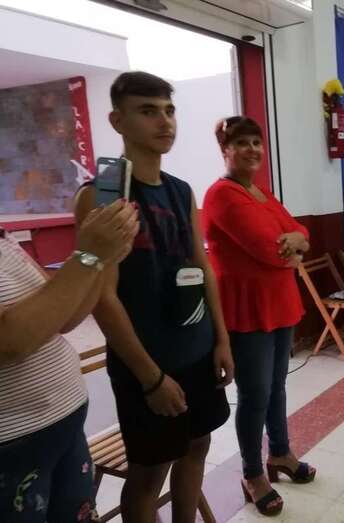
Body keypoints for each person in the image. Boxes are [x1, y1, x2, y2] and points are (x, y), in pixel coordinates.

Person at [74, 71, 233, 522]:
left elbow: (202, 268)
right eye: (148, 111)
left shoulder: (180, 191)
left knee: (197, 447)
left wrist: (221, 339)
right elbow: (102, 297)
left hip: (197, 351)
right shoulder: (103, 195)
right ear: (117, 121)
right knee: (148, 475)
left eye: (169, 110)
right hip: (146, 365)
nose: (164, 122)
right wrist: (151, 379)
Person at [202, 116, 315, 517]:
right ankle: (252, 474)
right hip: (247, 309)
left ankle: (280, 453)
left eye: (256, 142)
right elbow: (270, 249)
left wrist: (297, 241)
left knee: (277, 387)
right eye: (242, 143)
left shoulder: (261, 192)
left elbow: (299, 232)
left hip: (280, 303)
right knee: (254, 395)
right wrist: (291, 249)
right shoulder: (222, 195)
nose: (252, 149)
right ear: (225, 150)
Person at [0, 200, 138, 522]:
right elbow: (11, 341)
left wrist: (101, 260)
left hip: (65, 429)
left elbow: (63, 317)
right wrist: (87, 257)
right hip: (12, 450)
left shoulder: (3, 239)